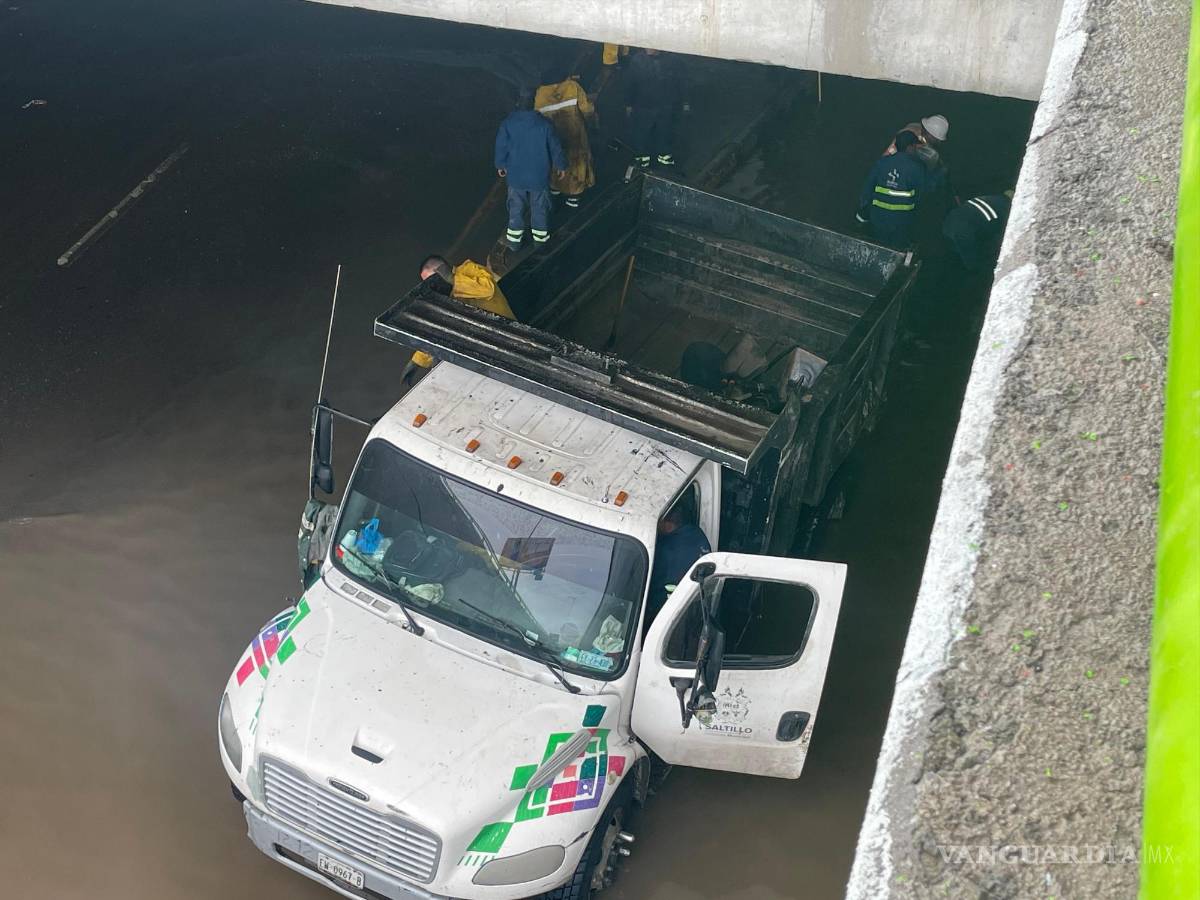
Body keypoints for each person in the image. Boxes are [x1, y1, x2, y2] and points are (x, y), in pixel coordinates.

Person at [400, 255, 516, 385]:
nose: (433, 286)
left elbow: (488, 289)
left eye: (433, 281)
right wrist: (418, 361)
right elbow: (440, 329)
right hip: (484, 345)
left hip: (507, 336)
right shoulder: (445, 296)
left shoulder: (469, 269)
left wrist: (453, 280)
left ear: (442, 271)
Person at [495, 88, 567, 251]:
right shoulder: (545, 124)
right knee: (540, 208)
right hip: (539, 176)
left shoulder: (508, 123)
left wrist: (500, 164)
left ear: (517, 103)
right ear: (534, 103)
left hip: (516, 176)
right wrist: (560, 166)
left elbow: (501, 146)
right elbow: (555, 148)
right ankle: (540, 243)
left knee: (515, 207)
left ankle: (514, 243)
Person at [535, 69, 596, 209]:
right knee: (577, 162)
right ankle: (573, 197)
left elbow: (536, 117)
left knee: (555, 159)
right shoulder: (572, 86)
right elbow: (586, 109)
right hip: (575, 133)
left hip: (553, 135)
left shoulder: (540, 93)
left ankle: (555, 188)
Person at [857, 130, 927, 249]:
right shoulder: (917, 168)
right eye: (915, 146)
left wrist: (863, 210)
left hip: (878, 218)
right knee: (896, 251)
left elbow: (868, 188)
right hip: (901, 221)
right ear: (910, 147)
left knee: (876, 248)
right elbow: (921, 195)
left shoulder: (882, 162)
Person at [646, 502, 711, 626]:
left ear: (668, 525)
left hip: (671, 613)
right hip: (696, 604)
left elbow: (654, 589)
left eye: (658, 523)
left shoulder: (667, 551)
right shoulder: (697, 534)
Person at [624, 48, 688, 169]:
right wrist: (629, 104)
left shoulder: (673, 61)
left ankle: (665, 158)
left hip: (665, 105)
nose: (647, 48)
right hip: (643, 105)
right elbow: (630, 83)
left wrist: (684, 103)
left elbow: (680, 83)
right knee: (641, 133)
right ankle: (642, 159)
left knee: (665, 131)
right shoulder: (637, 60)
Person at [942, 190, 1014, 272]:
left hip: (952, 222)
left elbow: (974, 263)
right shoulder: (1005, 206)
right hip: (967, 228)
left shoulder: (991, 198)